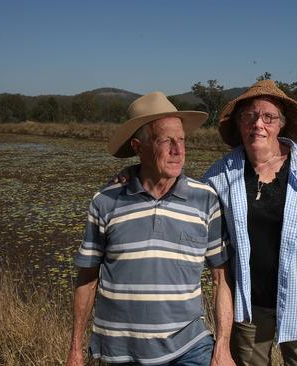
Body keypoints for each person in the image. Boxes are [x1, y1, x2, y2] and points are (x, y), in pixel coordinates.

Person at [66, 91, 235, 366]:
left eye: (181, 140)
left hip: (190, 349)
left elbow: (221, 279)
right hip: (121, 352)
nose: (178, 150)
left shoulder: (205, 199)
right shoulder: (105, 201)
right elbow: (87, 278)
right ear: (138, 146)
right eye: (165, 140)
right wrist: (75, 348)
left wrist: (223, 347)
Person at [202, 80, 297, 365]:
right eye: (249, 116)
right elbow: (187, 203)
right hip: (248, 308)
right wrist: (137, 173)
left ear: (281, 124)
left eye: (268, 117)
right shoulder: (222, 172)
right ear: (239, 124)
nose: (258, 124)